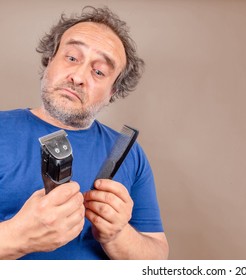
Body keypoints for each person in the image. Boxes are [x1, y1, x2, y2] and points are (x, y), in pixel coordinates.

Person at [0, 6, 169, 259]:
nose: (78, 76)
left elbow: (157, 258)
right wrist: (16, 237)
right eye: (71, 57)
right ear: (49, 60)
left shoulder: (130, 154)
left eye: (99, 71)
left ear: (113, 92)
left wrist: (117, 235)